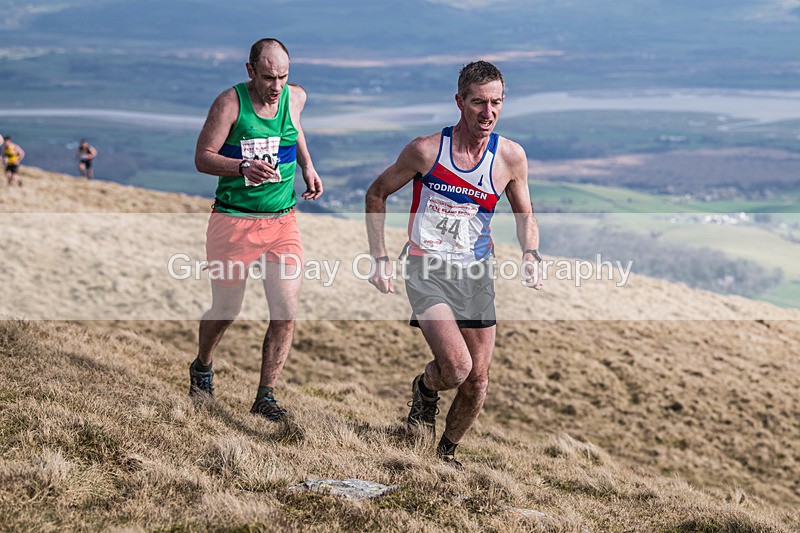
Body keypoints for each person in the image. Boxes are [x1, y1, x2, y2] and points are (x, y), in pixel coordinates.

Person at [365, 61, 543, 466]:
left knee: (478, 382)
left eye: (496, 102)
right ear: (459, 101)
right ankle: (426, 387)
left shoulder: (510, 157)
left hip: (476, 274)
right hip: (426, 269)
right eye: (478, 102)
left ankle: (444, 454)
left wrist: (530, 253)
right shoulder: (426, 151)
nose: (488, 113)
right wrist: (379, 257)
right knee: (458, 367)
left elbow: (525, 215)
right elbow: (376, 193)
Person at [189, 38, 323, 422]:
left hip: (282, 221)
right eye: (267, 77)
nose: (276, 86)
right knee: (227, 309)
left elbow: (294, 129)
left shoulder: (294, 97)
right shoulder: (229, 103)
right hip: (233, 220)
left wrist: (307, 167)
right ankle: (202, 366)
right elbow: (203, 158)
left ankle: (265, 396)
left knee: (285, 312)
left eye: (283, 76)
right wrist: (241, 167)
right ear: (250, 71)